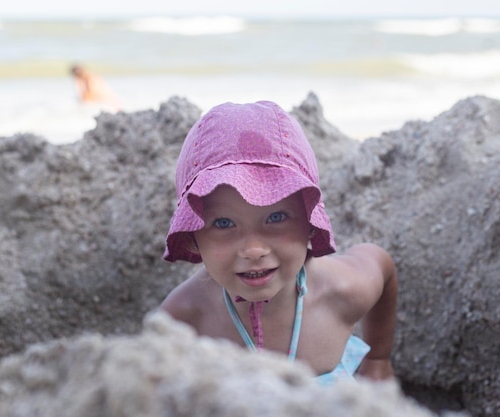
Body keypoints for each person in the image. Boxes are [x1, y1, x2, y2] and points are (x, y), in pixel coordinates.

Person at [159, 100, 398, 384]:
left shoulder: (342, 291)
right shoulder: (184, 313)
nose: (253, 250)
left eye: (276, 217)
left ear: (310, 222)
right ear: (193, 237)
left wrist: (378, 360)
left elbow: (381, 265)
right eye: (223, 223)